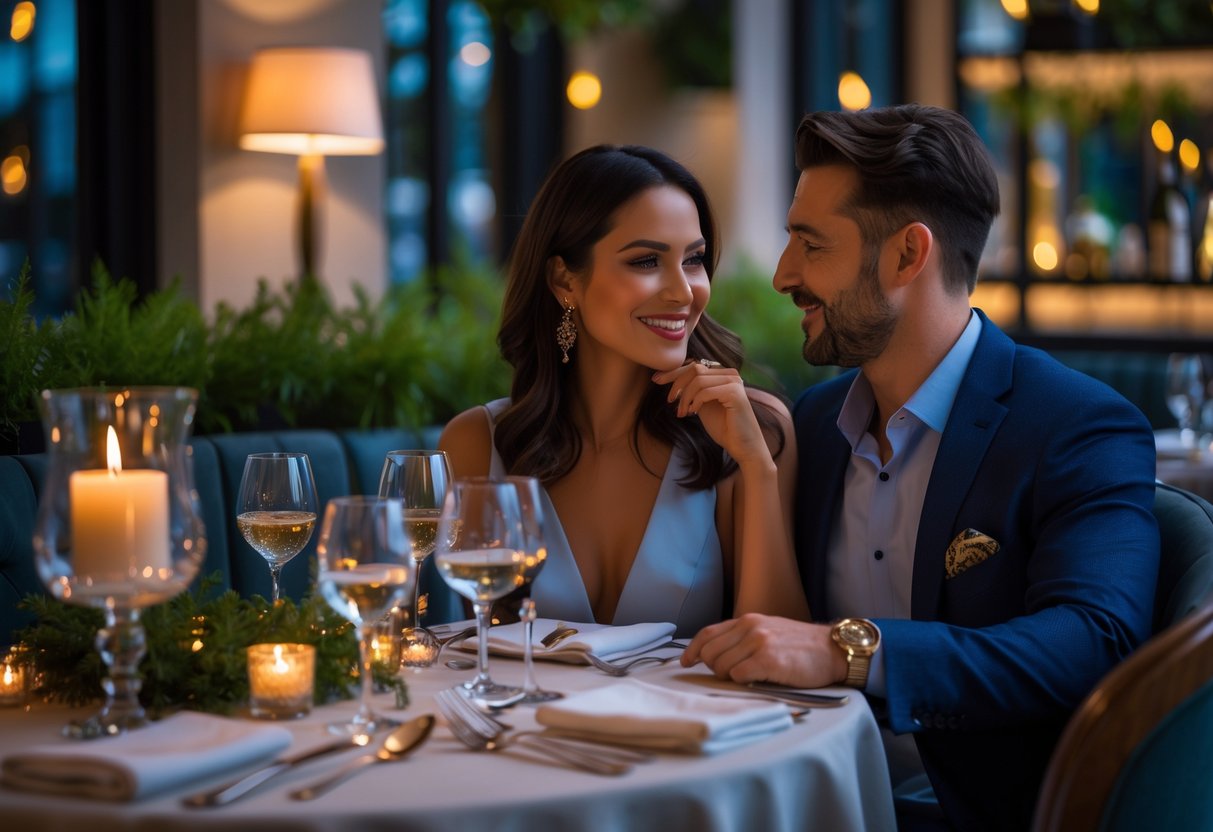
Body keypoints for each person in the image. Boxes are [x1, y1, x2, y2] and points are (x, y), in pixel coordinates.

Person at [682, 104, 1160, 831]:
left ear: (908, 255)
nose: (783, 274)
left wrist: (849, 650)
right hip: (802, 798)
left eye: (810, 244)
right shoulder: (813, 425)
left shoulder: (1077, 425)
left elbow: (1094, 640)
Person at [439, 144, 810, 638]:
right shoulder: (476, 444)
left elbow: (781, 652)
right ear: (563, 280)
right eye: (646, 261)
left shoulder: (749, 428)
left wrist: (757, 468)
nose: (683, 292)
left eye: (694, 259)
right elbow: (459, 649)